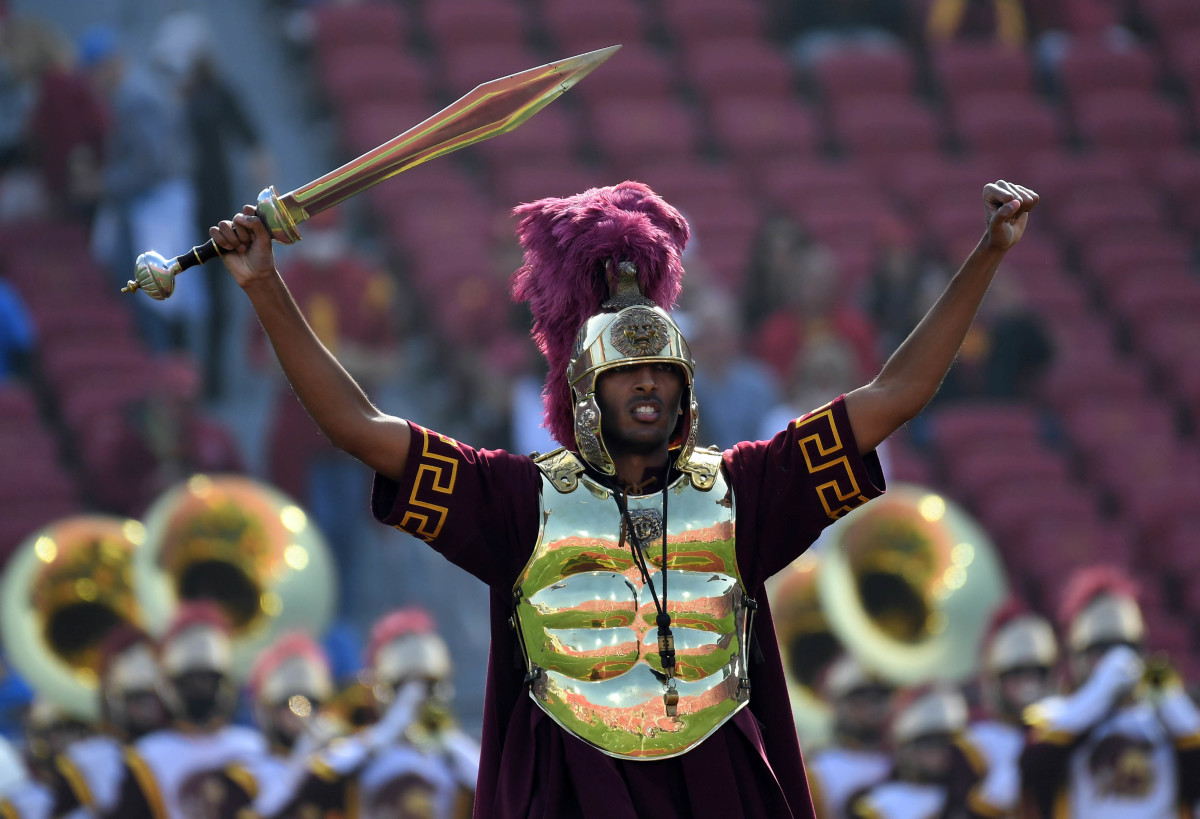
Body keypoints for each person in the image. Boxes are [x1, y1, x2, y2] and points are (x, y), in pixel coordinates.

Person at [210, 178, 1038, 817]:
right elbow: (359, 426)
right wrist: (263, 286)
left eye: (662, 374)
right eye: (627, 374)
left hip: (720, 787)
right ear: (584, 393)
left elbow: (891, 396)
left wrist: (988, 254)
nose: (648, 387)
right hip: (572, 790)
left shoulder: (744, 488)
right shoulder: (516, 499)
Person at [1021, 566, 1200, 817]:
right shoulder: (1057, 715)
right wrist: (1098, 693)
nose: (1118, 658)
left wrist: (1174, 706)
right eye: (1100, 649)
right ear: (1077, 656)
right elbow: (1033, 770)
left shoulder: (1166, 719)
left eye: (1126, 646)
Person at [105, 602, 266, 818]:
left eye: (208, 681)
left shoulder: (255, 747)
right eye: (191, 682)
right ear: (170, 686)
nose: (200, 689)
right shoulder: (146, 756)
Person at [966, 599, 1058, 817]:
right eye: (1016, 673)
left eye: (1035, 672)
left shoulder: (1064, 730)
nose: (1027, 683)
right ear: (996, 680)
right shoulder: (975, 742)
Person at [849, 684, 987, 819]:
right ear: (905, 748)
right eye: (927, 743)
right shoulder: (878, 805)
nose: (938, 751)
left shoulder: (966, 798)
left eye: (942, 742)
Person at [805, 655, 894, 819]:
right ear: (838, 706)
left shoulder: (902, 761)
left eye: (879, 697)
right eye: (860, 698)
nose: (872, 707)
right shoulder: (817, 770)